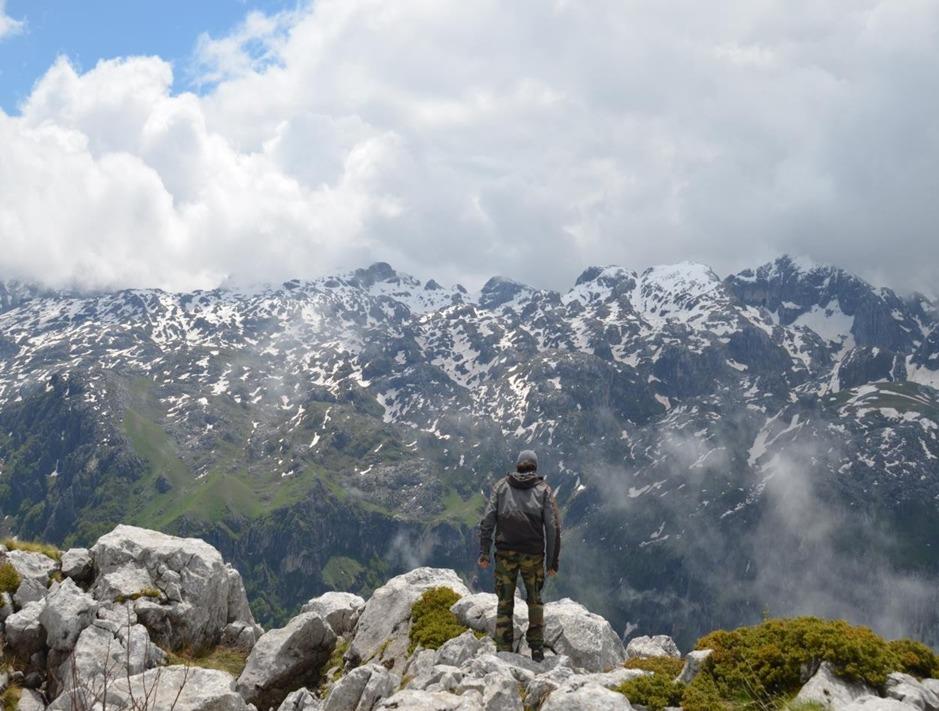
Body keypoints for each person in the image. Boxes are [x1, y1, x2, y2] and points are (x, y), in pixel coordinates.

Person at [478, 449, 561, 661]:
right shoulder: (544, 491)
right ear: (535, 467)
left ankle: (503, 650)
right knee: (534, 600)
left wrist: (485, 552)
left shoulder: (501, 487)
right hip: (533, 556)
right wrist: (552, 562)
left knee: (504, 600)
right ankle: (536, 650)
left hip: (505, 553)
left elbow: (488, 520)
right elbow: (552, 527)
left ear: (518, 466)